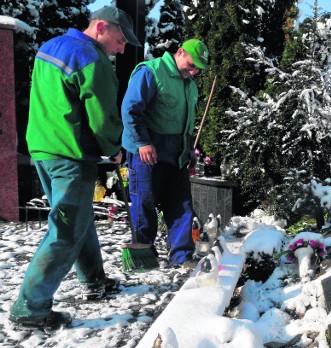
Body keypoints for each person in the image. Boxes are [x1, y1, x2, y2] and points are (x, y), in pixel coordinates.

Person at [9, 7, 142, 330]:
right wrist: (114, 149)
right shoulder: (91, 59)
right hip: (70, 154)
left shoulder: (50, 47)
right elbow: (102, 115)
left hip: (44, 147)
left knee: (79, 220)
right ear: (100, 27)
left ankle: (94, 280)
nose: (121, 48)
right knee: (66, 229)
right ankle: (31, 306)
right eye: (120, 39)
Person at [121, 39, 209, 268]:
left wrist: (189, 149)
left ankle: (181, 255)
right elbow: (131, 109)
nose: (194, 72)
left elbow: (187, 122)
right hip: (147, 151)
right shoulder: (150, 72)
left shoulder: (189, 85)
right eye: (191, 65)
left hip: (176, 153)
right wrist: (142, 142)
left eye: (198, 68)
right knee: (145, 202)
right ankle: (143, 254)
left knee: (181, 204)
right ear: (180, 52)